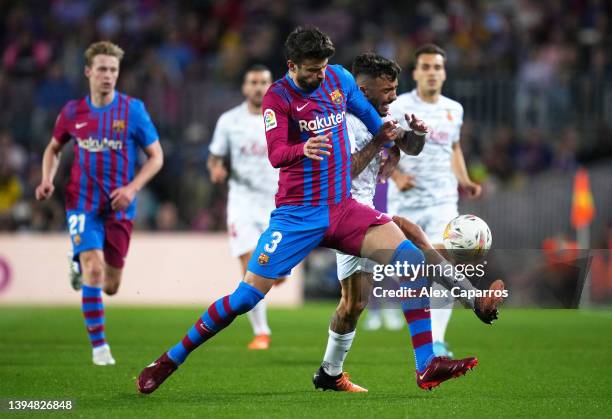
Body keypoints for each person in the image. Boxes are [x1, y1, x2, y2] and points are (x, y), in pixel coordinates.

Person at [137, 26, 481, 395]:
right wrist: (303, 149)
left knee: (411, 261)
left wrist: (397, 143)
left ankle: (426, 364)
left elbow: (374, 121)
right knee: (245, 298)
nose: (321, 76)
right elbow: (275, 154)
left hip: (343, 206)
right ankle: (170, 359)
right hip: (297, 214)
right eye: (313, 70)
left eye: (324, 67)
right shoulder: (277, 98)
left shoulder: (339, 79)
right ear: (292, 65)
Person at [313, 53, 505, 392]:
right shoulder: (341, 123)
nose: (392, 97)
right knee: (414, 245)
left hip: (363, 211)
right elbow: (344, 174)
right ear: (362, 89)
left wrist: (416, 135)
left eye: (395, 89)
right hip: (343, 215)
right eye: (386, 90)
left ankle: (329, 373)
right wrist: (379, 144)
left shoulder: (379, 117)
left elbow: (410, 146)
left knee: (353, 304)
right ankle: (446, 337)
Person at [35, 41, 163, 366]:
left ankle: (76, 263)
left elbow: (156, 157)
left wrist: (133, 189)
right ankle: (100, 350)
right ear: (88, 72)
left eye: (113, 70)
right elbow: (53, 148)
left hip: (120, 208)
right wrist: (47, 179)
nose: (108, 76)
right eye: (102, 69)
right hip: (82, 202)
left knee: (111, 286)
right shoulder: (72, 112)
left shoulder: (133, 110)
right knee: (94, 269)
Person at [388, 44, 483, 358]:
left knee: (445, 267)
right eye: (425, 67)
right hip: (405, 203)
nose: (432, 72)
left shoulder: (454, 109)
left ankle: (437, 342)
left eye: (437, 67)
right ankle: (411, 328)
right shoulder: (399, 106)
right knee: (411, 274)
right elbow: (382, 147)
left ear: (444, 72)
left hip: (442, 200)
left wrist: (464, 180)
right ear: (415, 73)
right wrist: (397, 176)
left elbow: (453, 148)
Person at [207, 64, 283, 350]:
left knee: (271, 273)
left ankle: (275, 277)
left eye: (264, 81)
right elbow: (215, 157)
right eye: (253, 82)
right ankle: (261, 331)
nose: (259, 87)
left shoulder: (281, 117)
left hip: (278, 202)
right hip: (242, 203)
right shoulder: (229, 121)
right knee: (250, 264)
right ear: (244, 87)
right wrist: (216, 170)